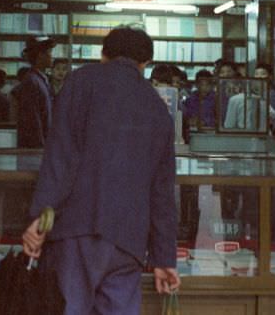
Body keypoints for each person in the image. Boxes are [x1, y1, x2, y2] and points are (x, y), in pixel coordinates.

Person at [22, 26, 180, 314]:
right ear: (145, 63)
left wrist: (41, 218)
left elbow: (61, 157)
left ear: (103, 54)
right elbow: (162, 191)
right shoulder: (158, 107)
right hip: (129, 239)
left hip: (76, 229)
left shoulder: (81, 82)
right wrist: (163, 258)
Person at [17, 36, 56, 148]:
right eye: (49, 52)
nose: (52, 56)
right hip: (35, 148)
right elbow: (33, 121)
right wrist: (40, 148)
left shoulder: (41, 79)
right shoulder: (32, 82)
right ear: (40, 55)